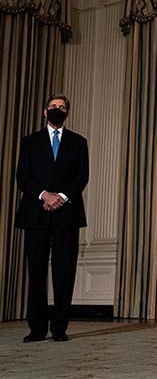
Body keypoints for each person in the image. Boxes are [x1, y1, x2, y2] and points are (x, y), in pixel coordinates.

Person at [15, 93, 89, 343]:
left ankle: (59, 328)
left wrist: (62, 197)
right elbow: (23, 175)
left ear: (67, 113)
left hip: (67, 214)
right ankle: (37, 328)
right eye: (53, 107)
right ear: (45, 112)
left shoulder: (78, 142)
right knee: (36, 272)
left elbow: (82, 176)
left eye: (62, 107)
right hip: (36, 214)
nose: (58, 110)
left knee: (64, 272)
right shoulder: (30, 142)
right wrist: (44, 195)